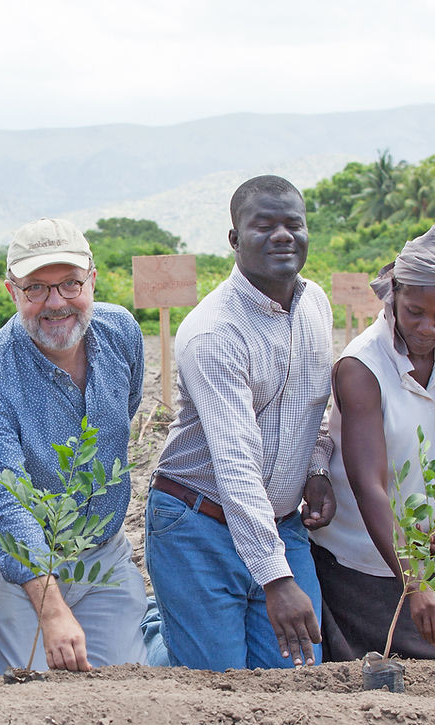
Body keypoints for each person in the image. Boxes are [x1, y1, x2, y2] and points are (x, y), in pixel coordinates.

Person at [145, 175, 335, 671]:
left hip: (280, 523)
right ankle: (154, 632)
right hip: (198, 523)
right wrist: (277, 579)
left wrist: (315, 469)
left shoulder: (315, 304)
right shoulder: (213, 334)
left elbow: (317, 403)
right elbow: (235, 464)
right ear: (234, 239)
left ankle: (180, 623)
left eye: (294, 224)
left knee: (296, 677)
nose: (282, 236)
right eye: (263, 225)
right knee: (216, 682)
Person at [310, 224, 435, 661]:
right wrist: (414, 582)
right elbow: (369, 485)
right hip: (361, 561)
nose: (426, 328)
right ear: (393, 294)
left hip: (426, 554)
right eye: (415, 311)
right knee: (380, 679)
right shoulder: (362, 367)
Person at [0, 217, 149, 675]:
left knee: (125, 685)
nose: (56, 303)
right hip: (20, 567)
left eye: (69, 284)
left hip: (99, 551)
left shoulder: (121, 332)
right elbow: (5, 502)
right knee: (30, 689)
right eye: (36, 289)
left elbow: (125, 410)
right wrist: (51, 609)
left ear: (92, 281)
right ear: (12, 292)